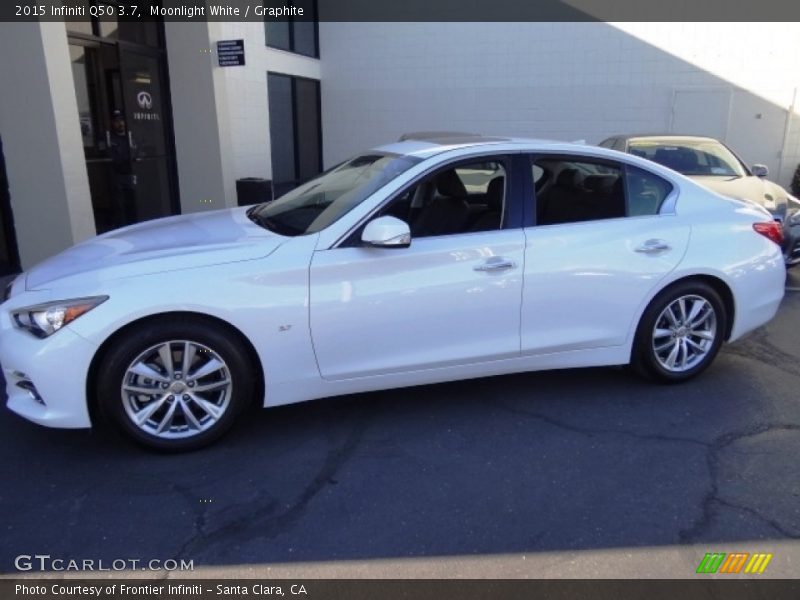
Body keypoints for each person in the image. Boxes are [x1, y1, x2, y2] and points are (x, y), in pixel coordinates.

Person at [108, 110, 138, 227]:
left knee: (132, 204)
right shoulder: (110, 139)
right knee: (119, 207)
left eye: (121, 120)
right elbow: (112, 156)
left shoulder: (130, 137)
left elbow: (138, 151)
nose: (120, 123)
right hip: (117, 176)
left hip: (130, 174)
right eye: (117, 121)